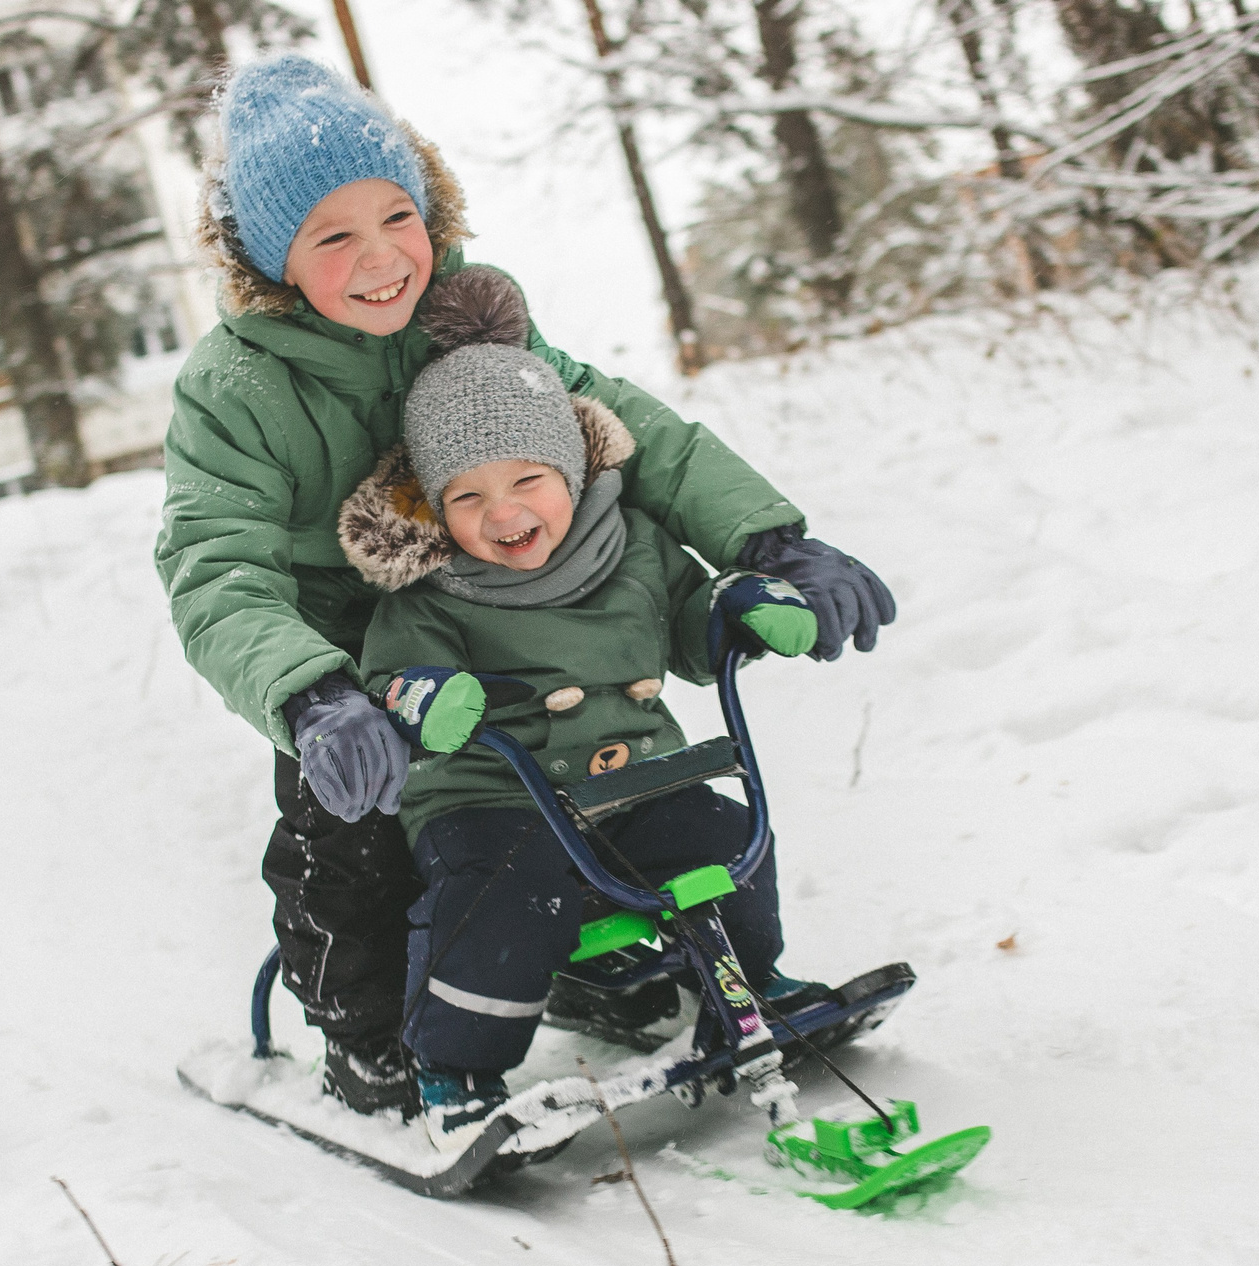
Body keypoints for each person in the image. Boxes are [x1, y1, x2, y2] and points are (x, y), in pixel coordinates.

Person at [156, 54, 896, 1118]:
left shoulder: (464, 318)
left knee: (606, 781)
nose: (380, 260)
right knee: (353, 840)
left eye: (396, 217)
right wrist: (313, 696)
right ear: (271, 258)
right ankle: (364, 1034)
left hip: (505, 610)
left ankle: (599, 954)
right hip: (345, 666)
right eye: (331, 237)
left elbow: (622, 429)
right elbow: (212, 564)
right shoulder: (236, 388)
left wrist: (770, 544)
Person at [348, 269, 827, 1140]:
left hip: (634, 779)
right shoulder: (430, 592)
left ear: (570, 466)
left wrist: (737, 609)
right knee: (503, 895)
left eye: (527, 480)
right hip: (492, 801)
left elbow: (686, 621)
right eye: (467, 496)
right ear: (434, 506)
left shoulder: (631, 546)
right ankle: (455, 1066)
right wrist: (427, 695)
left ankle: (748, 983)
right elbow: (396, 672)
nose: (503, 514)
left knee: (723, 842)